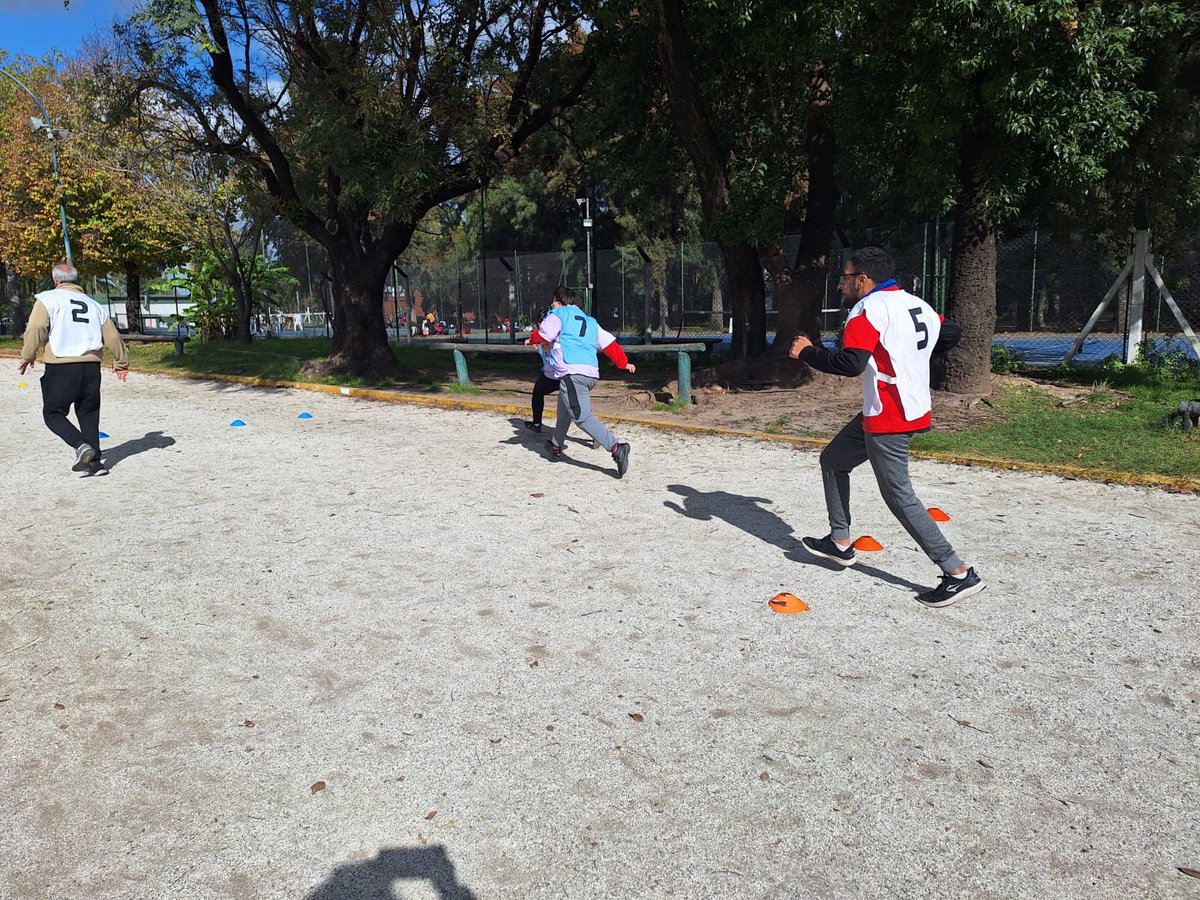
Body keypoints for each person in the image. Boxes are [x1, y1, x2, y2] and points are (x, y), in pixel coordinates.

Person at [789, 247, 984, 608]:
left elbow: (850, 363)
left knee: (899, 496)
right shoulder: (915, 304)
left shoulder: (868, 309)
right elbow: (951, 332)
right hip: (890, 408)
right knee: (833, 460)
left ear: (862, 280)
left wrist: (807, 353)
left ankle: (958, 573)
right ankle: (840, 541)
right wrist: (912, 358)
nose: (841, 286)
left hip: (889, 417)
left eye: (845, 279)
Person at [19, 261, 129, 477]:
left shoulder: (48, 298)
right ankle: (96, 463)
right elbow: (113, 336)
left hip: (61, 365)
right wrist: (121, 362)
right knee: (88, 414)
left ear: (56, 280)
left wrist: (28, 355)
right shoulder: (94, 304)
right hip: (91, 368)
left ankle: (80, 446)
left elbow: (36, 328)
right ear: (76, 280)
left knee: (53, 413)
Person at [526, 286, 636, 477]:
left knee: (581, 416)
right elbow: (610, 344)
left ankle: (616, 447)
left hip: (572, 372)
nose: (552, 305)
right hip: (590, 373)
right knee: (565, 405)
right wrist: (623, 363)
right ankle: (556, 444)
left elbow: (544, 334)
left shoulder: (558, 314)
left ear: (559, 302)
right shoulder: (590, 321)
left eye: (554, 301)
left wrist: (531, 339)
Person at [524, 306, 561, 434]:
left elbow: (543, 344)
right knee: (577, 405)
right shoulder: (560, 331)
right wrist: (533, 342)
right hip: (564, 373)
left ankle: (537, 423)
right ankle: (596, 434)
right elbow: (541, 346)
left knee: (538, 393)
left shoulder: (547, 333)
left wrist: (533, 341)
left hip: (555, 374)